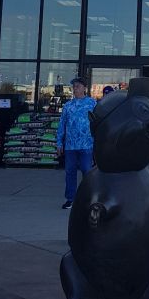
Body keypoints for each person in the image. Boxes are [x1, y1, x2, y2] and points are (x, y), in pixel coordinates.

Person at [56, 77, 97, 209]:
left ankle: (89, 199)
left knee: (87, 171)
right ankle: (70, 199)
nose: (75, 89)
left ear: (84, 88)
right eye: (74, 86)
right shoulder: (68, 106)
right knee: (70, 172)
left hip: (87, 144)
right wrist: (59, 143)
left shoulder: (92, 104)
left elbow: (98, 123)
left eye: (78, 86)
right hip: (70, 146)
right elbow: (62, 125)